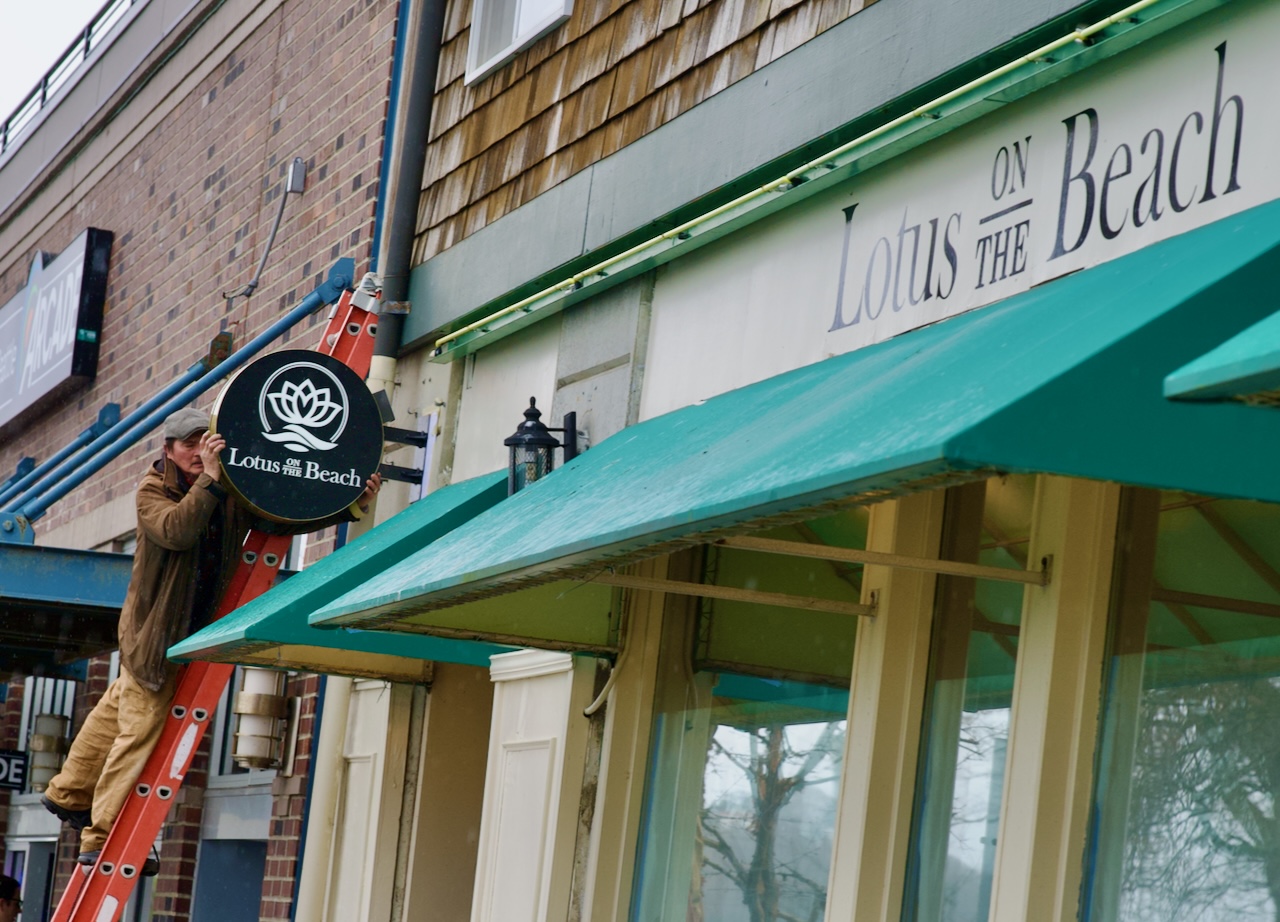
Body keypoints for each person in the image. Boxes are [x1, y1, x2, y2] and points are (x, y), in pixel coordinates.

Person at [40, 406, 380, 871]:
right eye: (188, 444)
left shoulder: (227, 486)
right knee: (140, 733)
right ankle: (99, 838)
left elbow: (277, 520)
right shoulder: (152, 489)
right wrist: (212, 480)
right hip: (156, 637)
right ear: (167, 450)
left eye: (206, 440)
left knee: (118, 708)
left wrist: (347, 502)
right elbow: (176, 531)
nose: (199, 451)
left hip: (177, 635)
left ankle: (69, 793)